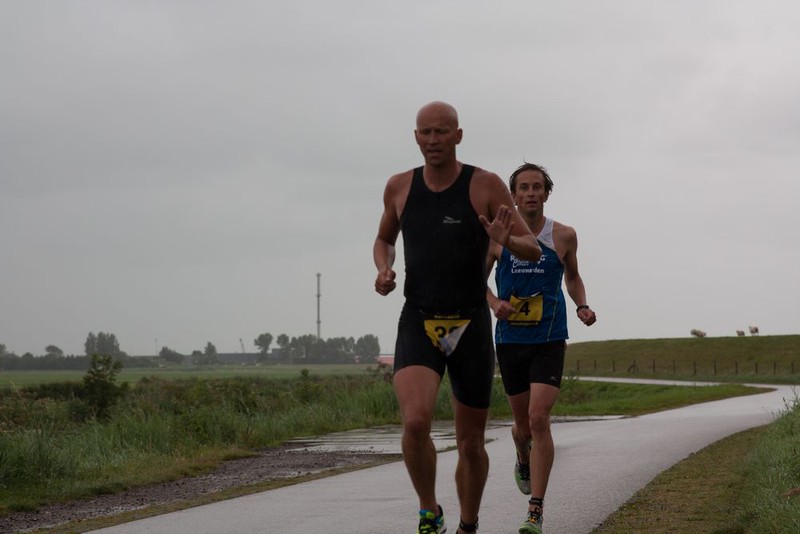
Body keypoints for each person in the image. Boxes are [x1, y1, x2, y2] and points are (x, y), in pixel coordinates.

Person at [374, 102, 541, 534]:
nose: (433, 140)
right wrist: (384, 268)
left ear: (458, 135)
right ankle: (429, 511)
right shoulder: (399, 186)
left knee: (469, 443)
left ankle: (468, 524)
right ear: (416, 137)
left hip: (470, 324)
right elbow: (384, 238)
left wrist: (506, 240)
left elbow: (531, 248)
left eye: (442, 132)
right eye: (425, 132)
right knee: (415, 422)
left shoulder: (484, 184)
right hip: (419, 319)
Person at [485, 163, 597, 534]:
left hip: (549, 338)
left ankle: (535, 510)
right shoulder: (498, 235)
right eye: (524, 187)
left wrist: (581, 305)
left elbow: (573, 276)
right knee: (522, 428)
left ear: (547, 194)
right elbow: (476, 280)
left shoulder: (563, 235)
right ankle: (522, 456)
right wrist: (493, 303)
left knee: (538, 419)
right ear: (513, 195)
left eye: (537, 187)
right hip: (510, 341)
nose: (531, 193)